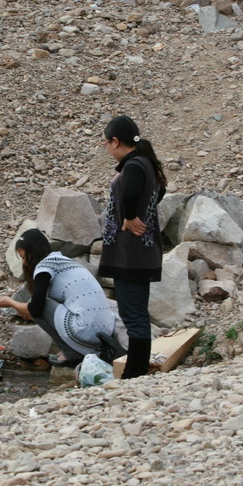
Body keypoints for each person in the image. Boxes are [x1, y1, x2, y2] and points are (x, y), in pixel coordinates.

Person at [98, 115, 167, 379]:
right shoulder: (143, 163)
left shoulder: (135, 165)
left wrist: (130, 217)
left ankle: (135, 372)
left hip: (133, 254)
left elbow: (129, 192)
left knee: (134, 314)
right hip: (137, 253)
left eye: (106, 143)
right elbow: (159, 191)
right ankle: (135, 370)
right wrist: (143, 213)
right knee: (132, 312)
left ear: (115, 141)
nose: (106, 148)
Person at [0, 229, 115, 367]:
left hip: (86, 331)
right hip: (105, 331)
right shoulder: (62, 261)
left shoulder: (44, 267)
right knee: (35, 306)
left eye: (23, 257)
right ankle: (74, 350)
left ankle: (72, 353)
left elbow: (36, 309)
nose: (24, 263)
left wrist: (11, 303)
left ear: (33, 253)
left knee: (38, 307)